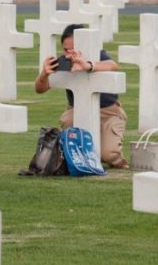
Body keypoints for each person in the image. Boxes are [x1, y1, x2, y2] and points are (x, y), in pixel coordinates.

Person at [34, 23, 130, 169]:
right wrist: (44, 74)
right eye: (66, 49)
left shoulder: (96, 55)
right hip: (77, 111)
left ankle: (119, 161)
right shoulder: (62, 63)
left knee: (109, 154)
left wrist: (88, 66)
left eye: (73, 49)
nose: (68, 53)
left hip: (109, 112)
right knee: (72, 144)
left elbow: (112, 65)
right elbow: (40, 89)